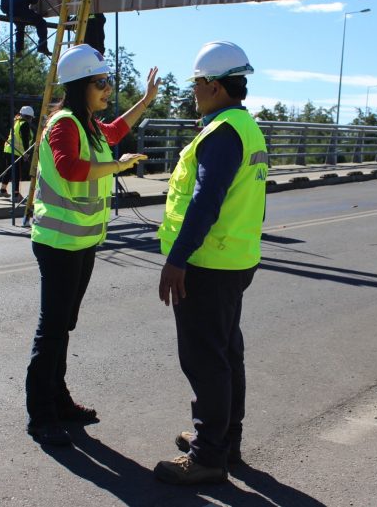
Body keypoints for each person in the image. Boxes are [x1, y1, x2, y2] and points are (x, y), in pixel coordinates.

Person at [25, 44, 160, 446]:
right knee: (52, 329)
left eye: (109, 82)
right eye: (101, 82)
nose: (107, 88)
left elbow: (116, 129)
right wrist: (118, 165)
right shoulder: (65, 123)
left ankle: (59, 400)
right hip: (59, 242)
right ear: (82, 84)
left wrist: (146, 100)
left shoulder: (88, 124)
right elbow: (69, 168)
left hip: (80, 242)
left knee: (64, 325)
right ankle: (41, 415)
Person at [153, 41, 268, 485]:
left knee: (205, 359)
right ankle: (225, 441)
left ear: (216, 86)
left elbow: (206, 201)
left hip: (208, 262)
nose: (194, 92)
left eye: (198, 83)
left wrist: (177, 259)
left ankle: (208, 457)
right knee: (225, 353)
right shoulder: (245, 128)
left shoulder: (221, 133)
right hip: (235, 258)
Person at [0, 105, 36, 202]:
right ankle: (16, 194)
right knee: (17, 173)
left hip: (8, 149)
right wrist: (27, 153)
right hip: (16, 152)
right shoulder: (25, 124)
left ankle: (3, 190)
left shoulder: (16, 122)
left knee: (10, 170)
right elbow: (25, 140)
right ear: (29, 117)